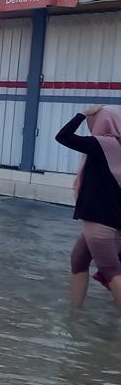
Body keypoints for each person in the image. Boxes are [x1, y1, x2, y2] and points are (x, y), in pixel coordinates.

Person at [56, 105, 121, 310]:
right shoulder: (117, 146)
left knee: (111, 272)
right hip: (112, 218)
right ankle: (75, 312)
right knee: (78, 261)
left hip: (99, 219)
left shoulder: (102, 144)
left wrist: (82, 114)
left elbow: (63, 136)